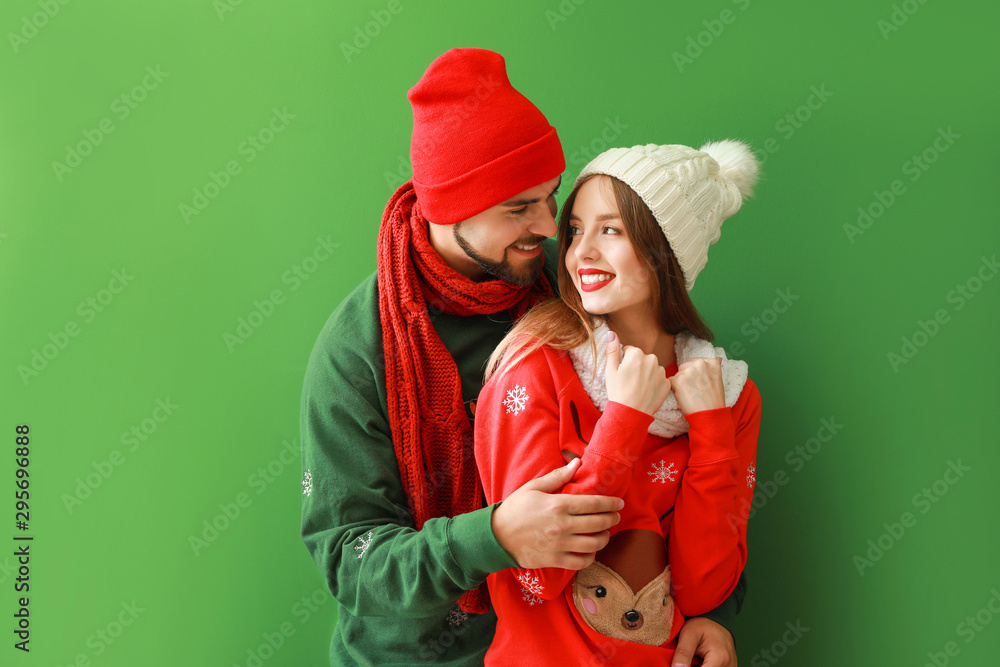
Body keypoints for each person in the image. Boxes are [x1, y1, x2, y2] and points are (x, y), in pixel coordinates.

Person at [300, 47, 745, 666]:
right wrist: (494, 536)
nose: (548, 227)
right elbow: (349, 560)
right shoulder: (360, 351)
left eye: (550, 197)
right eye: (518, 207)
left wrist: (711, 613)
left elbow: (672, 475)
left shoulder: (571, 288)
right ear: (448, 208)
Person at [474, 140, 763, 665]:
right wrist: (625, 420)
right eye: (575, 230)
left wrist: (710, 430)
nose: (580, 252)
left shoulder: (729, 396)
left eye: (611, 230)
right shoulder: (534, 366)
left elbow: (702, 592)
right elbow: (537, 575)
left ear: (667, 250)